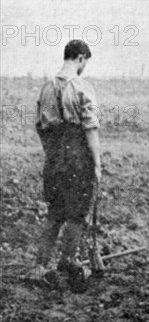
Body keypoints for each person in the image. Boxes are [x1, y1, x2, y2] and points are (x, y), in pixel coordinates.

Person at [35, 39, 101, 276]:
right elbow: (91, 128)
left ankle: (40, 266)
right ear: (81, 58)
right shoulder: (83, 87)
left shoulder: (46, 88)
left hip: (53, 156)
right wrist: (97, 163)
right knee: (77, 212)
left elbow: (40, 127)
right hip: (78, 156)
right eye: (85, 62)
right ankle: (67, 260)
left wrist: (52, 153)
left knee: (55, 212)